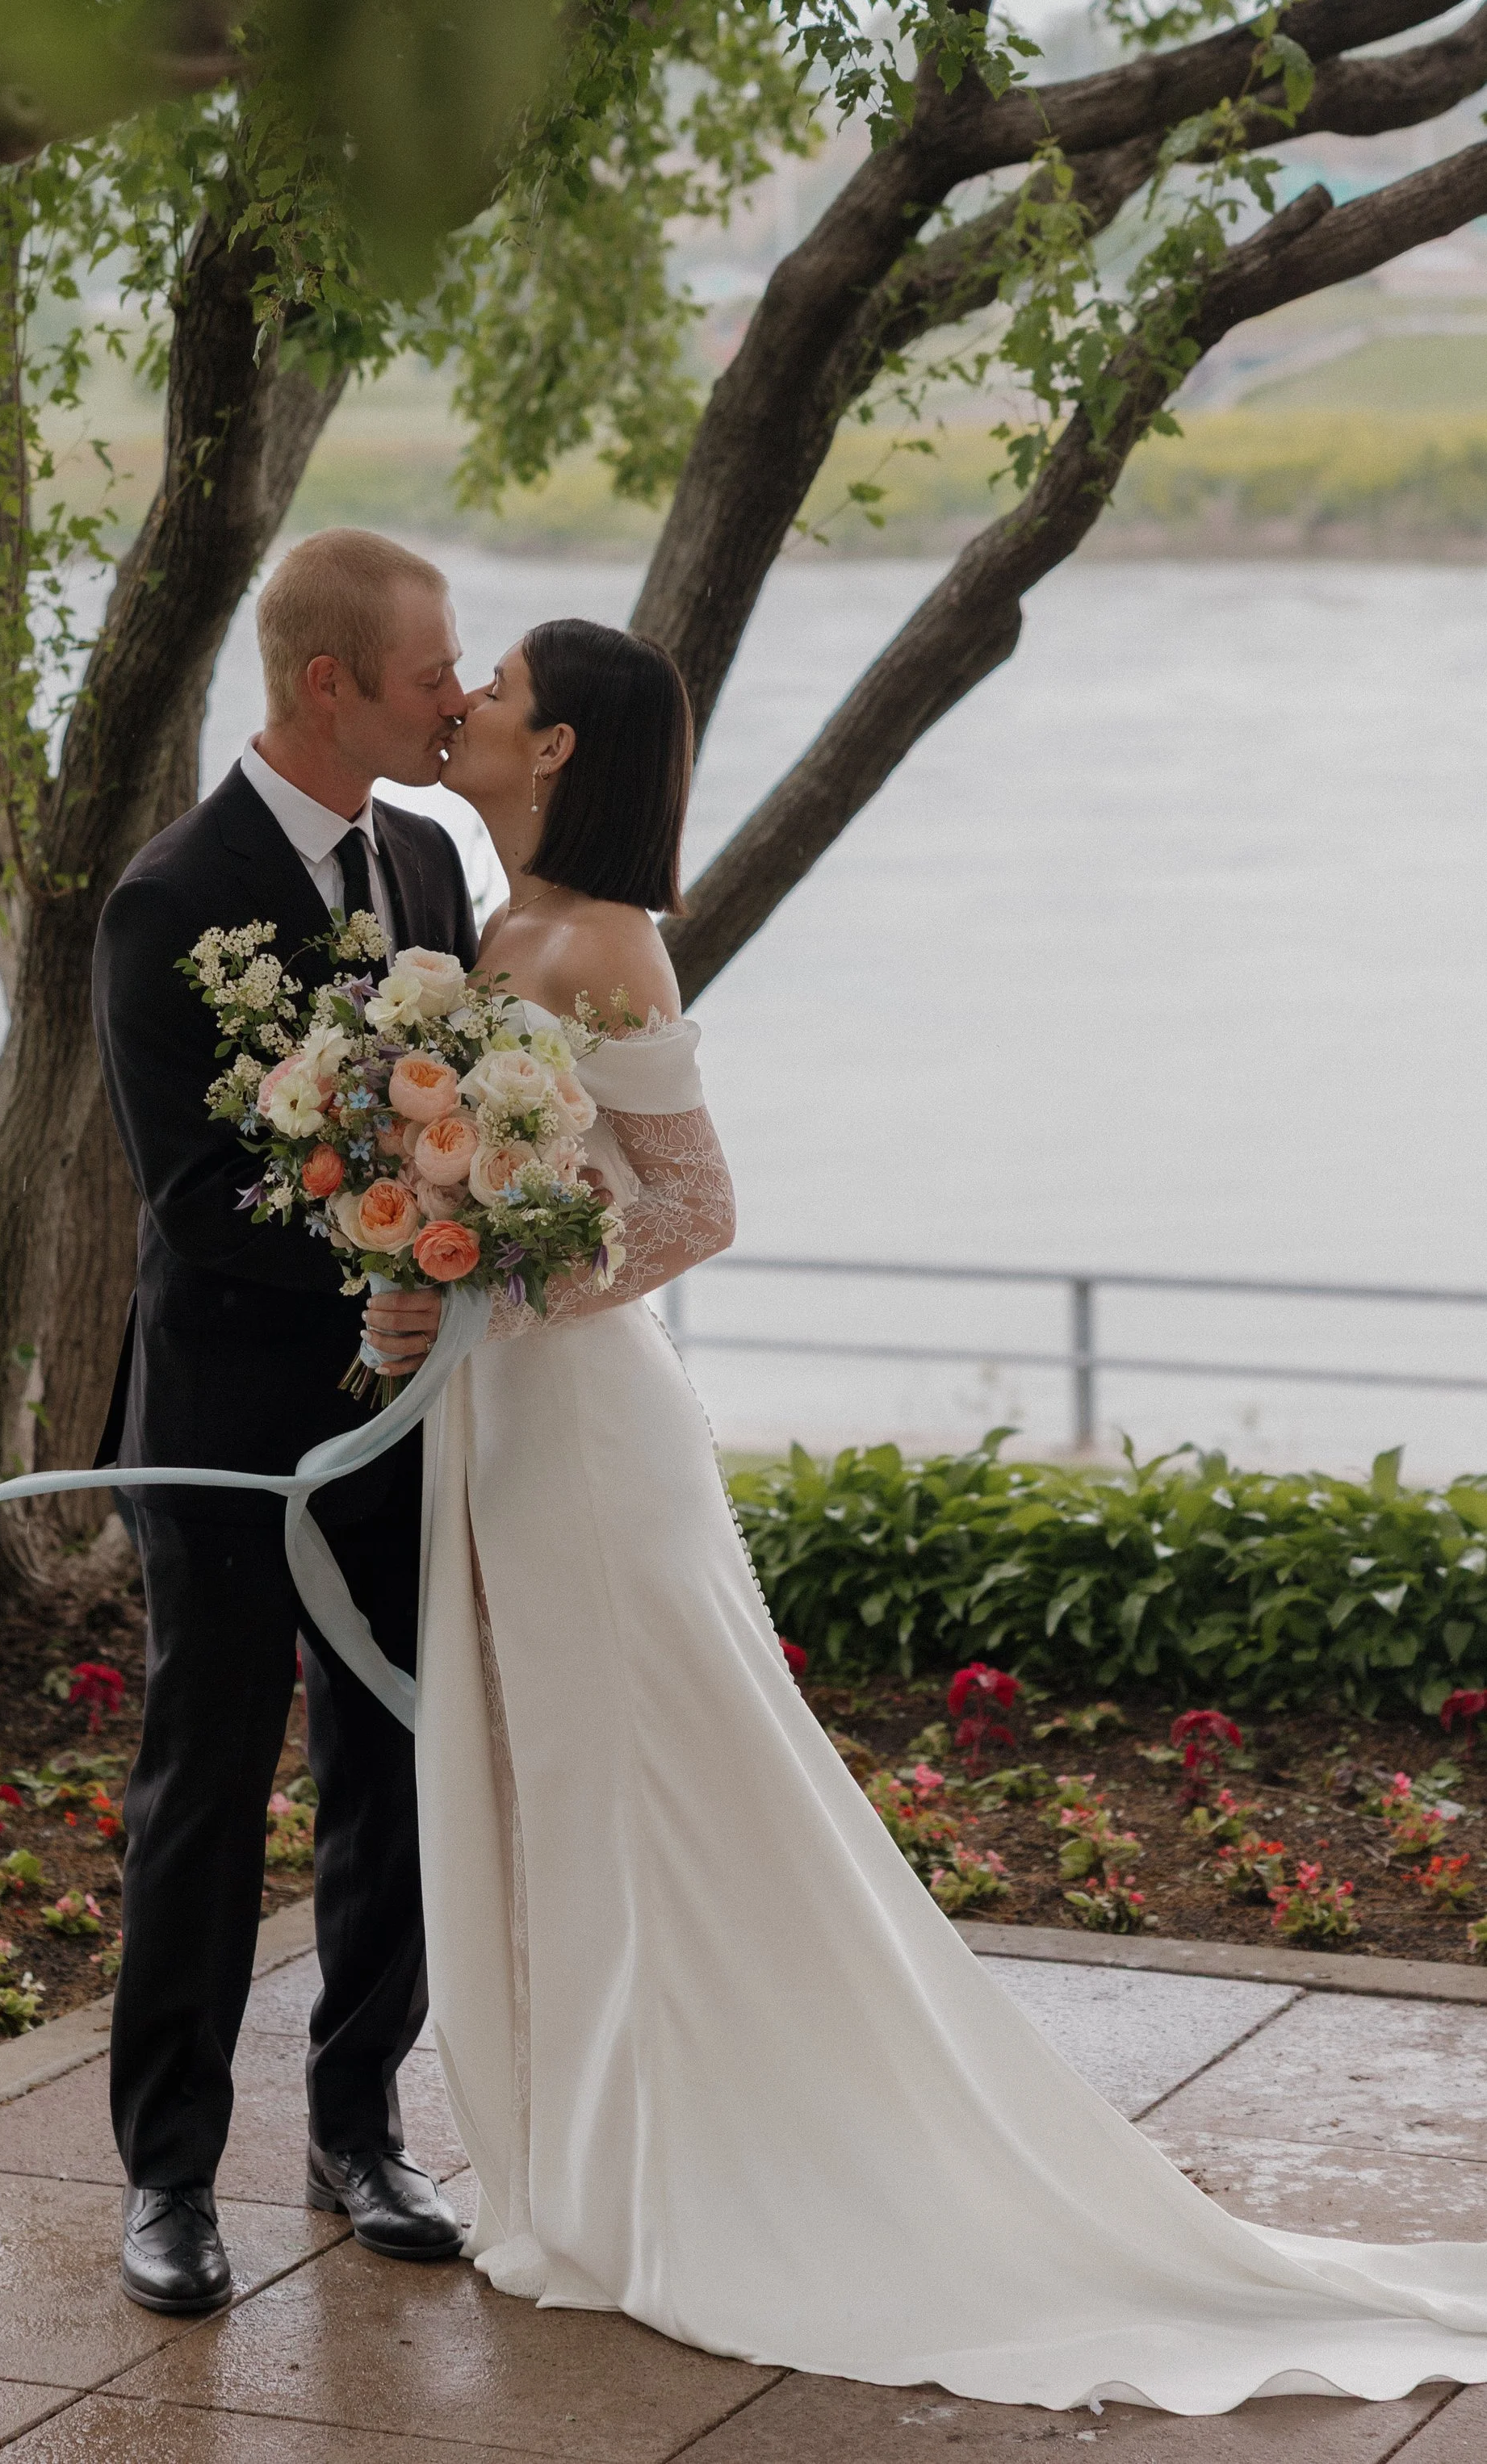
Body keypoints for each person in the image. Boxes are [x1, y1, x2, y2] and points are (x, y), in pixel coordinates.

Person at [385, 609, 1487, 2413]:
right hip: (496, 1418)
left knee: (640, 1792)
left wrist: (500, 1276)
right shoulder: (492, 923)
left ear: (563, 743)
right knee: (550, 1793)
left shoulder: (599, 947)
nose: (472, 704)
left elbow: (694, 1209)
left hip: (586, 1431)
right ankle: (585, 2171)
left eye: (496, 688)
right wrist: (424, 1258)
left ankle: (680, 2186)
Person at [90, 527, 478, 2315]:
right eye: (426, 673)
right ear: (327, 682)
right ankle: (167, 2175)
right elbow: (188, 1195)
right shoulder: (170, 897)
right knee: (208, 1781)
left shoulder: (428, 856)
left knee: (388, 1767)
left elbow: (463, 1112)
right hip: (230, 1427)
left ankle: (357, 2125)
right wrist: (381, 1260)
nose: (452, 698)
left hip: (405, 1423)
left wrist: (453, 1265)